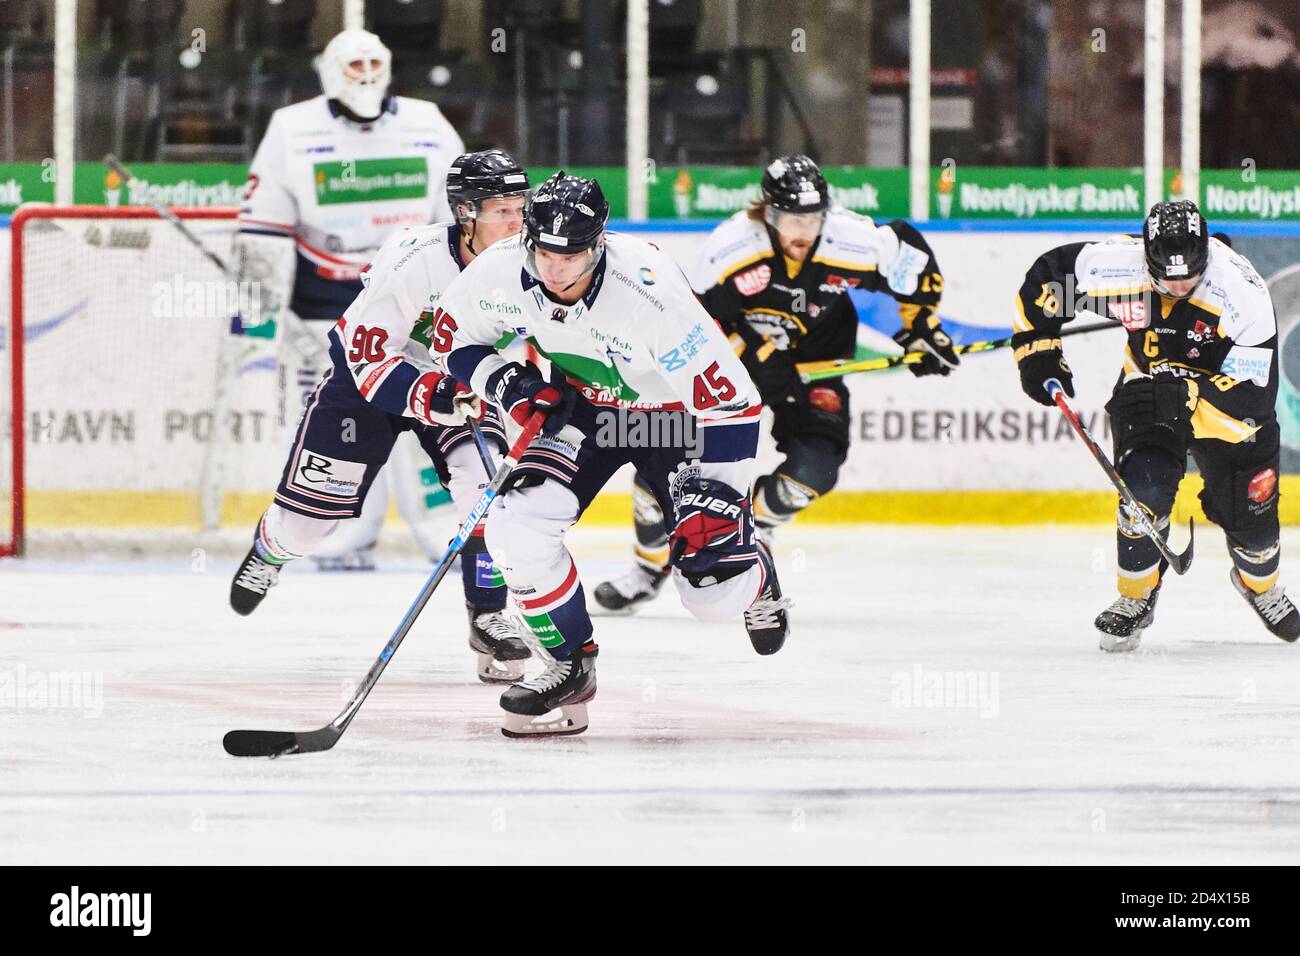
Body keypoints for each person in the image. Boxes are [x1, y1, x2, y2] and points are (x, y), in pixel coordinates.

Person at [435, 171, 791, 737]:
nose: (554, 268)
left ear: (598, 243)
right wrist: (509, 384)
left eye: (571, 254)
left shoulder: (652, 296)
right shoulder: (502, 269)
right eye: (543, 251)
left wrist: (723, 502)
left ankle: (755, 570)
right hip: (586, 411)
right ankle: (570, 664)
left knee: (712, 598)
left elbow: (734, 404)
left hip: (672, 421)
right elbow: (451, 338)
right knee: (514, 530)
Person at [595, 154, 959, 612]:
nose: (802, 230)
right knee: (661, 472)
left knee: (815, 469)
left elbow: (911, 259)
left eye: (812, 217)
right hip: (728, 365)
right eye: (791, 217)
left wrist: (921, 328)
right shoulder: (731, 247)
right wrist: (757, 355)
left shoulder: (851, 239)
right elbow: (693, 318)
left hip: (815, 360)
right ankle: (649, 568)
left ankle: (751, 525)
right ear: (768, 212)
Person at [229, 150, 535, 684]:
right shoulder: (414, 260)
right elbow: (368, 360)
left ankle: (487, 617)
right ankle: (271, 547)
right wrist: (434, 395)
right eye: (502, 210)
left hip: (464, 382)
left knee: (484, 488)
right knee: (309, 526)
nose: (517, 223)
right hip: (372, 382)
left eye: (520, 208)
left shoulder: (533, 264)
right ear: (466, 213)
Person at [1012, 199, 1299, 651]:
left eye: (1190, 274)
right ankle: (1136, 597)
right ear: (1146, 256)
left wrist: (1189, 395)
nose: (1179, 285)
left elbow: (1254, 401)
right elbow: (1046, 284)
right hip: (1148, 393)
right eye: (1166, 275)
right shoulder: (1117, 270)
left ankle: (1261, 586)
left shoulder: (1242, 295)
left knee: (1255, 531)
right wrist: (1038, 349)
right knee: (1141, 499)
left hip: (1231, 418)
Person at [235, 28, 465, 571]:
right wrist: (255, 318)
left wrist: (460, 306)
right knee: (333, 417)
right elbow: (263, 229)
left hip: (412, 302)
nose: (364, 74)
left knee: (429, 410)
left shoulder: (427, 122)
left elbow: (459, 219)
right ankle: (340, 531)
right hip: (322, 301)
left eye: (372, 62)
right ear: (330, 70)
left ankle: (444, 529)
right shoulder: (292, 128)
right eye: (352, 63)